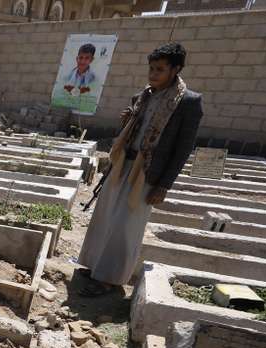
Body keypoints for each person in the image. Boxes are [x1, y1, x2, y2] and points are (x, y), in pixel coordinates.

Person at [77, 42, 202, 297]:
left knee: (126, 225)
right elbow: (135, 129)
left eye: (160, 69)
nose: (153, 74)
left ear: (175, 70)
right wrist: (128, 121)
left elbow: (182, 149)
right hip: (124, 163)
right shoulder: (144, 95)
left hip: (147, 171)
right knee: (106, 216)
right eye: (151, 68)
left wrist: (164, 185)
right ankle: (94, 267)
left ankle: (109, 280)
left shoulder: (188, 102)